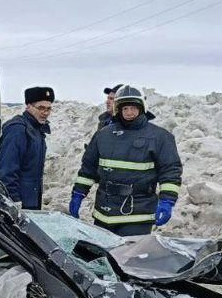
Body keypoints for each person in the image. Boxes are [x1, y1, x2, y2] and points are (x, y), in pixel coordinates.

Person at [69, 85, 182, 236]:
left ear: (142, 108)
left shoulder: (160, 137)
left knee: (129, 258)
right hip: (103, 213)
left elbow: (170, 171)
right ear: (118, 110)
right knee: (102, 257)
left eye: (133, 108)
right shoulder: (103, 135)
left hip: (137, 215)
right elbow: (88, 169)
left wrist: (167, 201)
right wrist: (78, 194)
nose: (129, 112)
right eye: (125, 108)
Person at [0, 86, 54, 209]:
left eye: (48, 109)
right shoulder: (18, 129)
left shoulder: (37, 130)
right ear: (28, 106)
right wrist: (13, 201)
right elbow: (6, 170)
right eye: (41, 108)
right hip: (19, 202)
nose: (45, 113)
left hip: (31, 200)